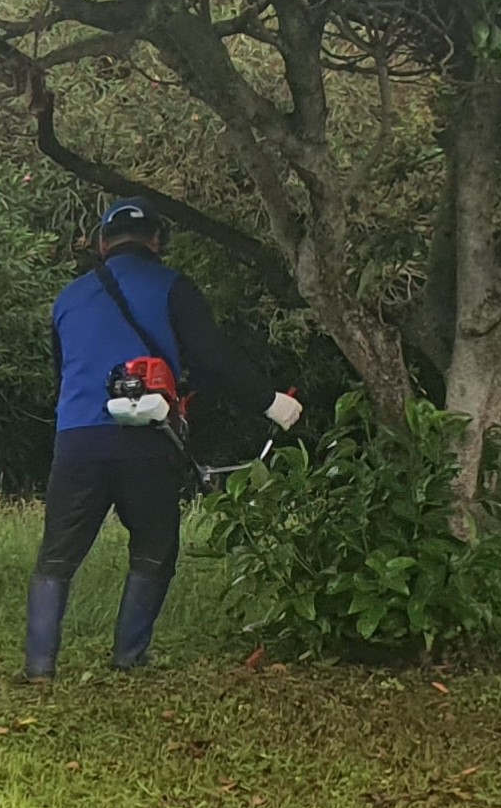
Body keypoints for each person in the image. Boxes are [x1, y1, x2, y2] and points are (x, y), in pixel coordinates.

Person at [28, 199, 302, 678]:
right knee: (154, 547)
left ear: (101, 244)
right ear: (156, 241)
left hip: (77, 440)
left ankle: (38, 666)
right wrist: (270, 402)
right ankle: (129, 659)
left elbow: (61, 375)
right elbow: (214, 358)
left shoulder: (67, 299)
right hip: (146, 441)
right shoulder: (174, 288)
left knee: (56, 557)